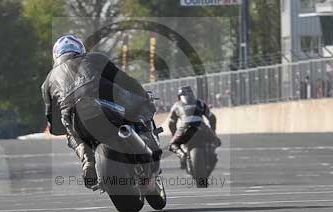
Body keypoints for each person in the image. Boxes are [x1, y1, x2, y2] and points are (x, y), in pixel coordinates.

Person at [41, 34, 154, 188]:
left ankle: (87, 160)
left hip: (73, 117)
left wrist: (64, 129)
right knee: (139, 104)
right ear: (79, 49)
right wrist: (143, 96)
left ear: (56, 55)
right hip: (105, 102)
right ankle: (148, 140)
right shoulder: (95, 58)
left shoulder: (47, 81)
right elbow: (124, 80)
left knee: (71, 133)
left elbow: (53, 123)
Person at [167, 86, 219, 169]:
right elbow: (212, 118)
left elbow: (171, 123)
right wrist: (213, 130)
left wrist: (174, 134)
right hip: (201, 127)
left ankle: (182, 155)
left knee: (172, 144)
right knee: (216, 140)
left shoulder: (176, 105)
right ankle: (211, 153)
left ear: (179, 96)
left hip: (184, 128)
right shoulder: (200, 103)